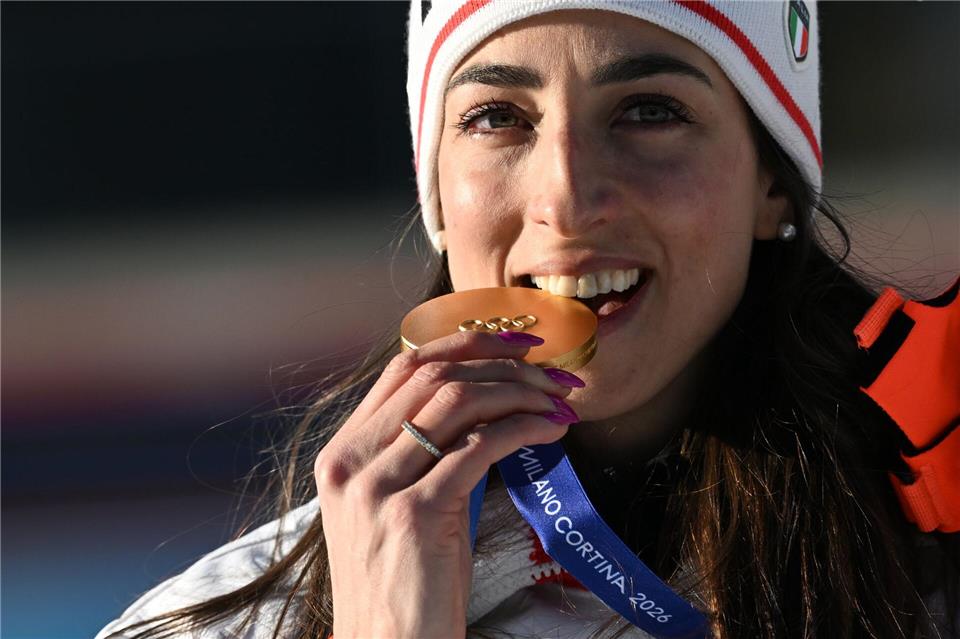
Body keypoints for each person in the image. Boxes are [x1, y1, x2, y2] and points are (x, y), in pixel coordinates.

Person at [96, 2, 959, 638]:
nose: (568, 197)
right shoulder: (215, 625)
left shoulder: (931, 557)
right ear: (439, 191)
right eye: (497, 117)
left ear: (773, 182)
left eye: (649, 110)